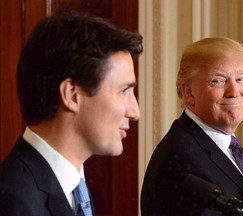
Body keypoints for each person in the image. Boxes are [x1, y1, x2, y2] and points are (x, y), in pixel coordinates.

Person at [0, 11, 143, 216]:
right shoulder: (16, 203)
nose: (134, 112)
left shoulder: (74, 187)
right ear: (72, 95)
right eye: (123, 91)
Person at [141, 37, 243, 215]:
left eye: (241, 79)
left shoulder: (226, 145)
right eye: (218, 80)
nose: (234, 92)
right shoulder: (181, 156)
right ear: (189, 93)